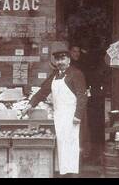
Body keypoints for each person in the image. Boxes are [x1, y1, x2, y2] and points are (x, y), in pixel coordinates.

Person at [23, 42, 87, 177]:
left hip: (72, 117)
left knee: (73, 147)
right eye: (58, 59)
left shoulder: (76, 74)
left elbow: (82, 96)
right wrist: (30, 104)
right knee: (62, 147)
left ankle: (75, 175)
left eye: (63, 59)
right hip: (60, 116)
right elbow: (43, 91)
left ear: (69, 59)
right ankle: (64, 173)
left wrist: (78, 116)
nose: (60, 62)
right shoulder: (55, 75)